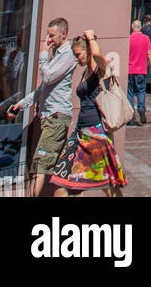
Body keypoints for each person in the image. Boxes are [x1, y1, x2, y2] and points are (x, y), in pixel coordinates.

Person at [48, 29, 126, 197]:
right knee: (63, 180)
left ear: (88, 50)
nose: (76, 59)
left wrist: (90, 37)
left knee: (109, 185)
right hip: (80, 132)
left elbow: (97, 54)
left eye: (78, 55)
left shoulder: (100, 69)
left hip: (96, 134)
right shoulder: (85, 72)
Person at [8, 17, 76, 197]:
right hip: (48, 117)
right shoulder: (55, 55)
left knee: (39, 164)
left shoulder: (68, 55)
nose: (48, 39)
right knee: (56, 168)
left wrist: (43, 56)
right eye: (48, 35)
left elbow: (48, 77)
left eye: (52, 35)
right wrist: (22, 104)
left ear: (64, 34)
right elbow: (43, 88)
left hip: (56, 118)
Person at [127, 19, 151, 126]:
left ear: (132, 27)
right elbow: (149, 54)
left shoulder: (128, 39)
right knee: (141, 91)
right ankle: (141, 107)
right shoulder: (146, 39)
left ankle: (130, 117)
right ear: (141, 27)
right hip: (141, 70)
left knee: (130, 93)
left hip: (129, 70)